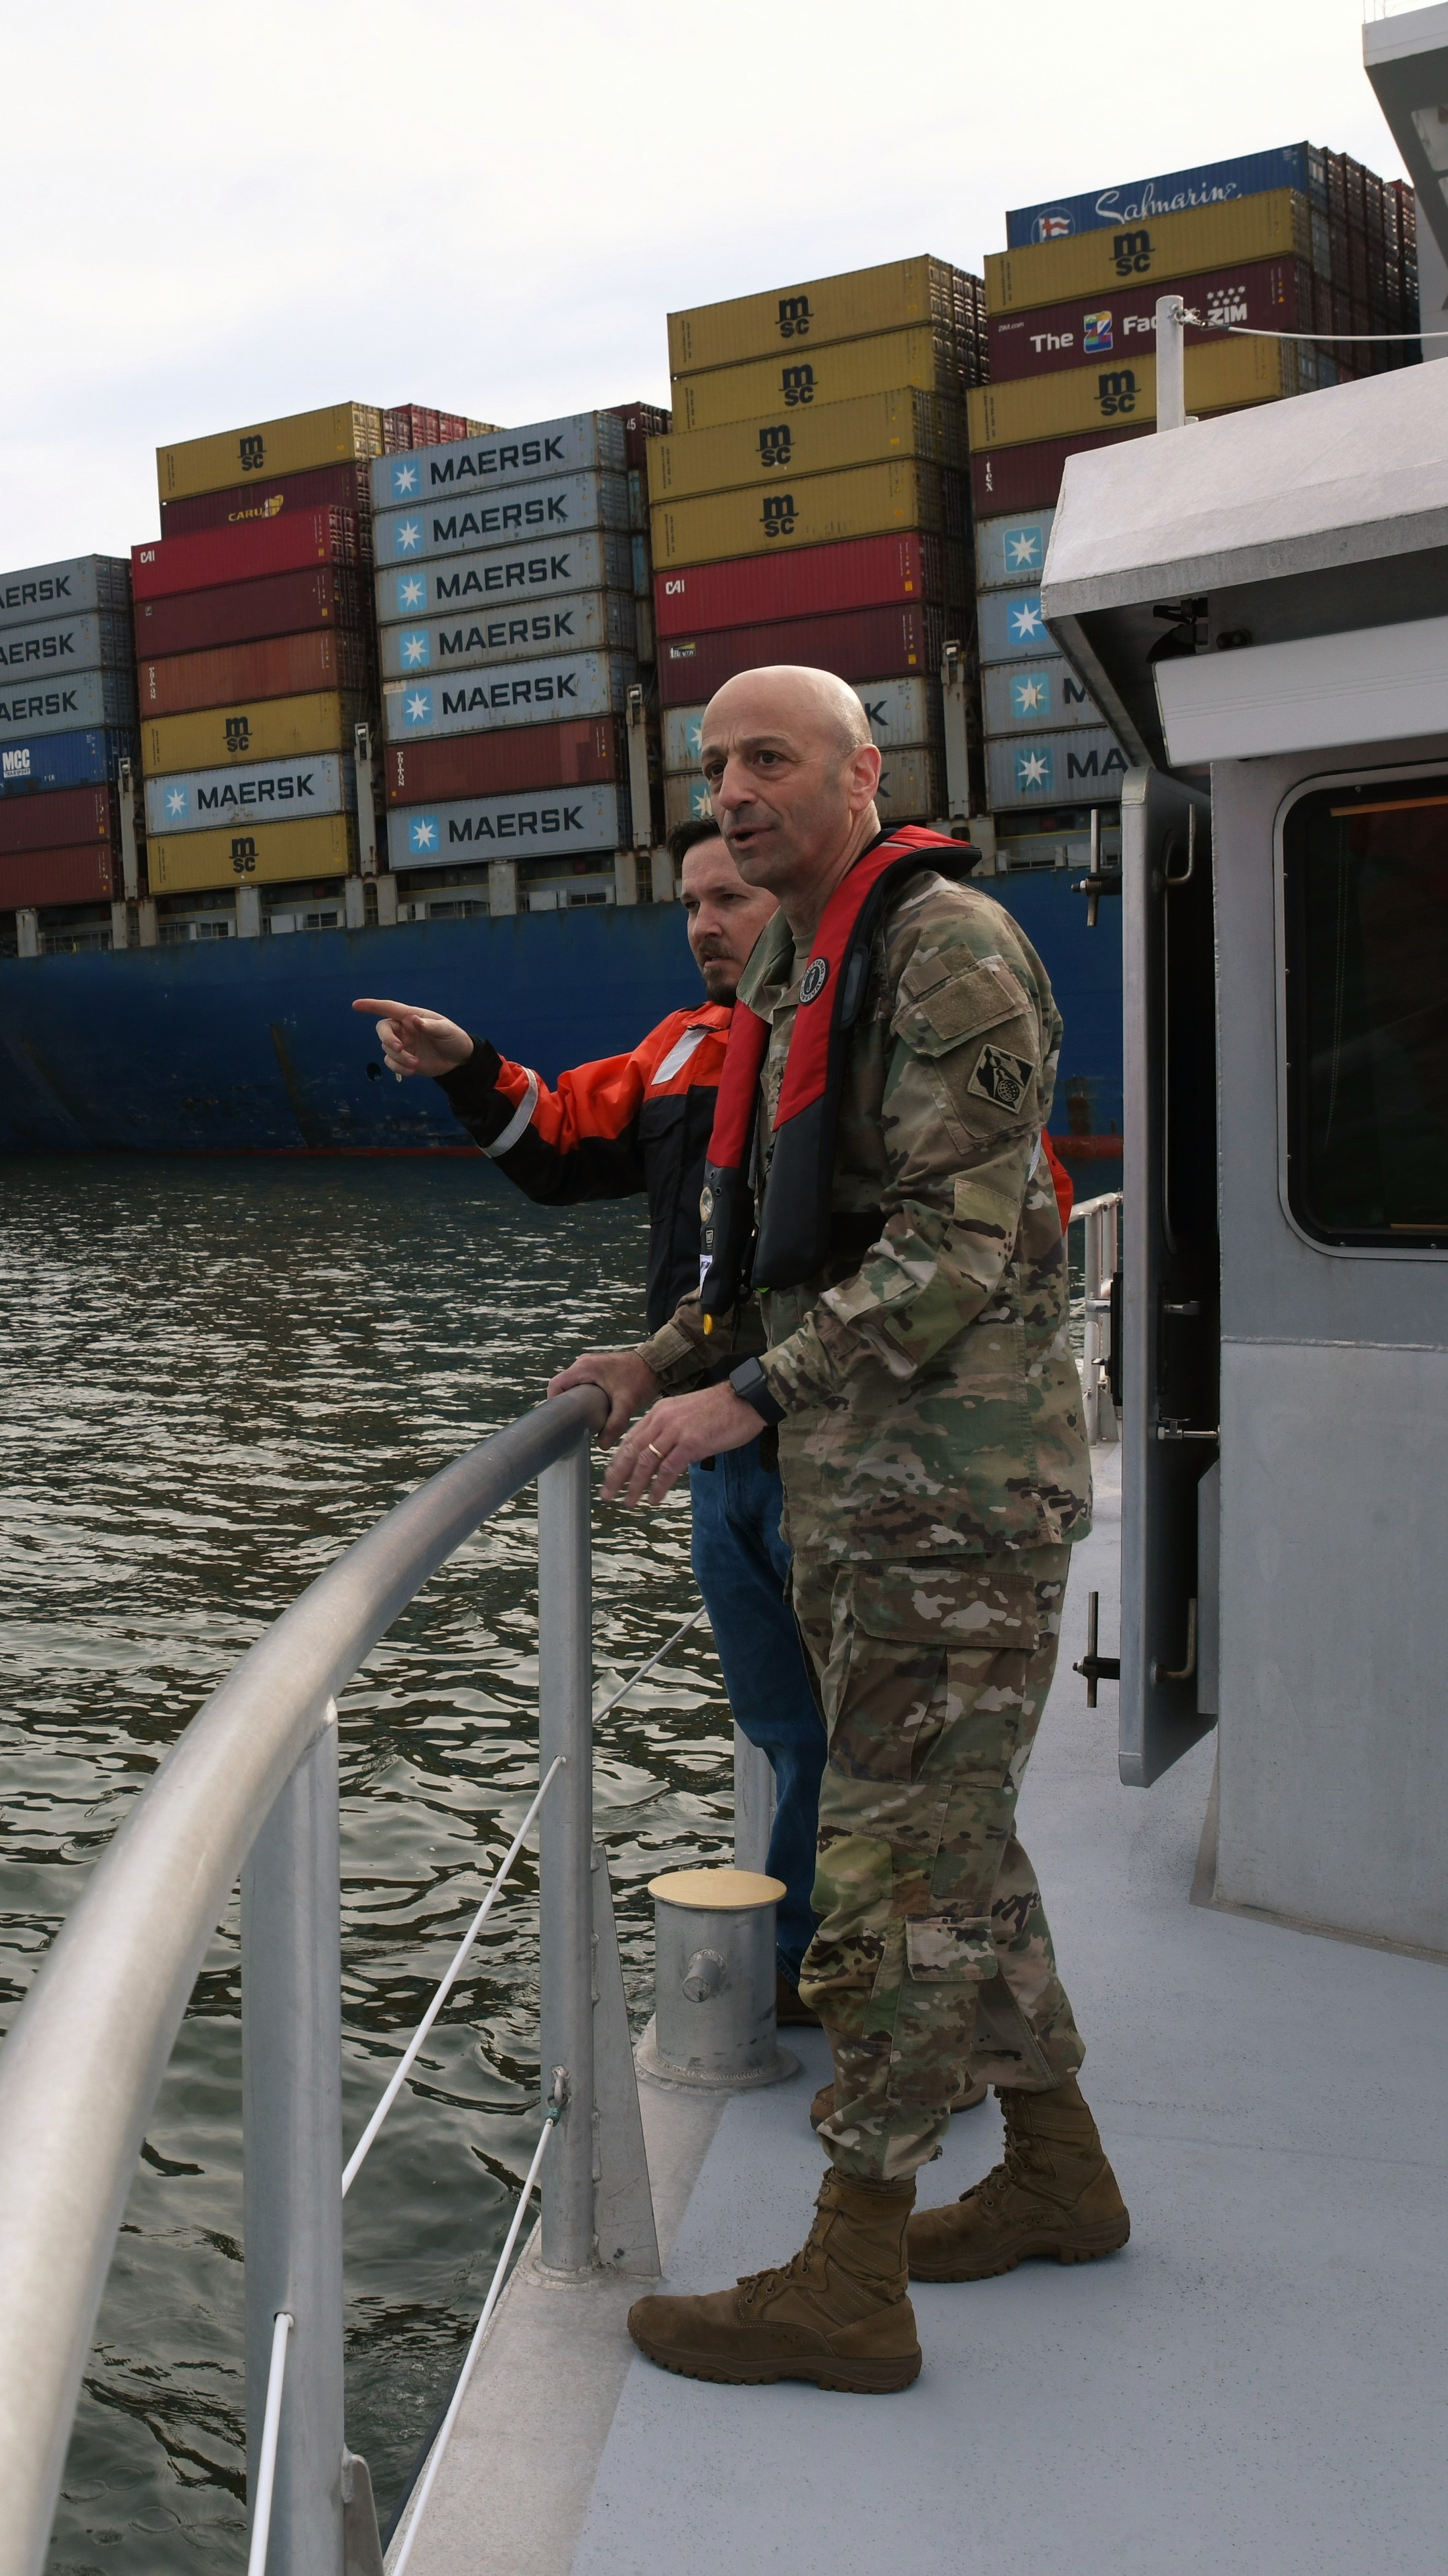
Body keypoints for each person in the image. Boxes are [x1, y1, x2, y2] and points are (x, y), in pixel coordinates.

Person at [565, 665, 1110, 2398]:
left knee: (881, 1880)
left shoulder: (943, 949)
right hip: (874, 1507)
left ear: (867, 774)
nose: (730, 791)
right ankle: (1057, 2182)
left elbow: (955, 1244)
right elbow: (785, 1240)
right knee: (965, 1852)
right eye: (715, 763)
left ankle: (851, 2277)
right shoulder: (801, 960)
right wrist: (658, 1354)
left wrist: (753, 1396)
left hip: (957, 1502)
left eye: (770, 758)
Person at [352, 821, 827, 2017]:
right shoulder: (680, 1052)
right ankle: (822, 1964)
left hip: (840, 1442)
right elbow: (558, 1140)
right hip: (717, 1453)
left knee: (863, 1735)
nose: (705, 925)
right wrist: (468, 1065)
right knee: (783, 1725)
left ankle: (832, 1976)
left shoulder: (857, 1033)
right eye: (691, 904)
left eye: (732, 899)